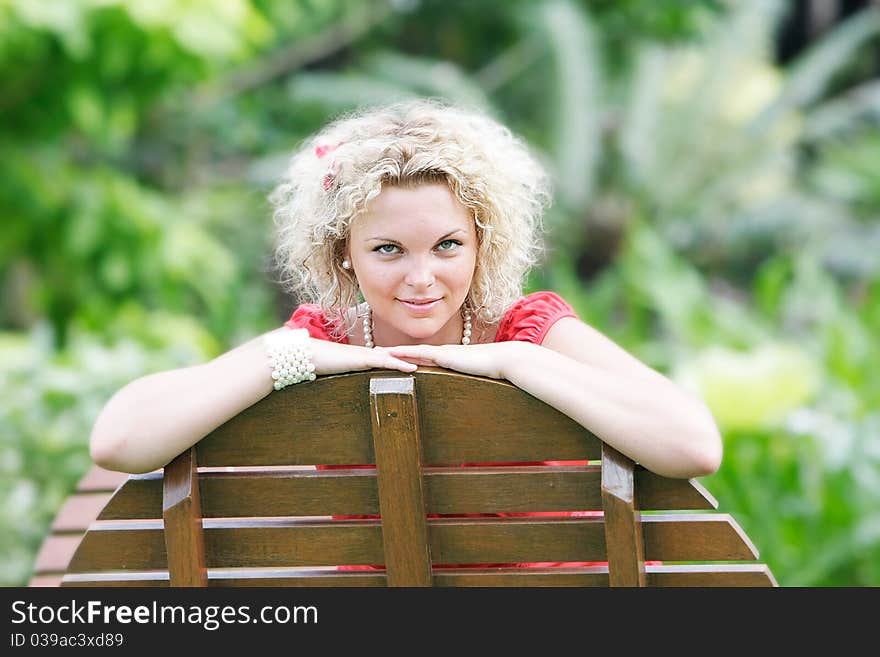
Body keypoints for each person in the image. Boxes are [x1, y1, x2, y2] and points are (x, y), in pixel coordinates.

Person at [90, 98, 721, 486]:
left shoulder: (527, 330)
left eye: (447, 246)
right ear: (344, 254)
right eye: (388, 250)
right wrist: (293, 360)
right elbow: (118, 441)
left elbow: (694, 444)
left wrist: (517, 362)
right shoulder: (324, 338)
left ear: (483, 244)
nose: (422, 278)